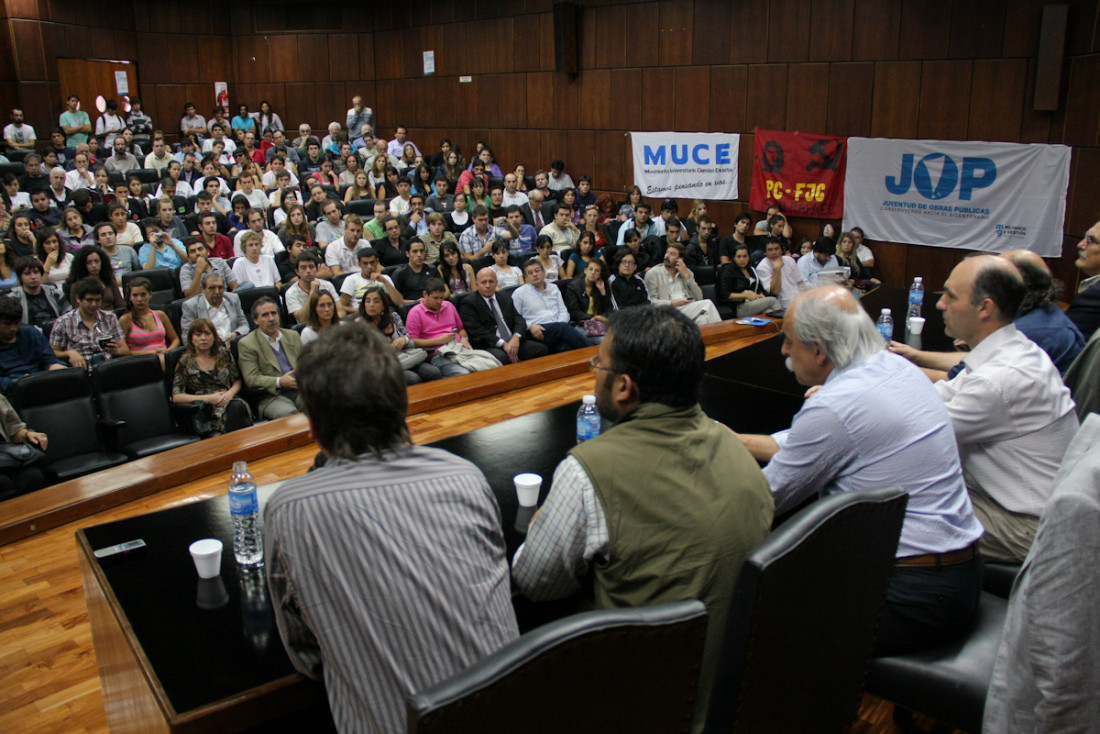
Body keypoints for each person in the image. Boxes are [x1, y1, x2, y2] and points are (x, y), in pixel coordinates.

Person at [513, 305, 773, 731]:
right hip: (730, 690)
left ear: (623, 388)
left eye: (599, 362)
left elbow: (535, 582)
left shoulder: (589, 471)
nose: (595, 369)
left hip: (637, 697)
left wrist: (547, 517)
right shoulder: (739, 452)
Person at [264, 322, 518, 733]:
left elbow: (307, 656)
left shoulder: (289, 509)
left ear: (312, 429)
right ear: (403, 406)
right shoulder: (465, 476)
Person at [735, 286, 984, 655]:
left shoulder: (835, 407)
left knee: (749, 610)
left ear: (819, 349)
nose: (784, 351)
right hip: (957, 573)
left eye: (789, 341)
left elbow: (763, 500)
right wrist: (733, 440)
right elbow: (826, 440)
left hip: (909, 595)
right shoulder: (896, 368)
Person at [913, 256, 1078, 563]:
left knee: (890, 514)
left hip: (1027, 528)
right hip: (1019, 504)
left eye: (950, 296)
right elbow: (940, 394)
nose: (940, 304)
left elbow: (916, 433)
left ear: (985, 308)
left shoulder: (999, 379)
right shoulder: (1015, 350)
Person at [171, 318, 251, 436]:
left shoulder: (223, 354)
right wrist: (208, 398)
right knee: (240, 417)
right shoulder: (185, 362)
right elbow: (177, 397)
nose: (203, 338)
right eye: (198, 335)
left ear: (214, 337)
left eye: (207, 334)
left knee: (237, 407)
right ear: (191, 339)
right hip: (204, 408)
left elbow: (237, 380)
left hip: (228, 400)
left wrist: (230, 393)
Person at [460, 267, 549, 365]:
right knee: (502, 358)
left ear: (496, 283)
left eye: (491, 281)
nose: (488, 285)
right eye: (484, 282)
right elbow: (477, 330)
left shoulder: (504, 296)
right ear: (477, 284)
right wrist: (503, 344)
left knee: (541, 350)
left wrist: (516, 337)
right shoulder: (469, 302)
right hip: (490, 344)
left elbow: (518, 319)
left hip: (512, 340)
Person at [237, 296, 303, 419]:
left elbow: (306, 365)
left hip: (298, 390)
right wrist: (280, 382)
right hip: (270, 396)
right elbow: (251, 378)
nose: (271, 318)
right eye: (265, 315)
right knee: (290, 415)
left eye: (274, 313)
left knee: (321, 402)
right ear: (255, 320)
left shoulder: (292, 336)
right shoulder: (247, 344)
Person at [359, 286, 442, 384]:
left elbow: (410, 341)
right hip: (385, 364)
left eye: (376, 301)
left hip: (406, 357)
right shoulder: (359, 325)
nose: (371, 305)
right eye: (368, 301)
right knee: (413, 378)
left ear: (384, 305)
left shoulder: (394, 317)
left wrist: (404, 340)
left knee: (434, 372)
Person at [512, 260, 594, 353]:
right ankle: (594, 352)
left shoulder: (554, 288)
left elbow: (564, 312)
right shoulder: (519, 293)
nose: (534, 274)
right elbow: (516, 319)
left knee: (564, 347)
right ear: (526, 277)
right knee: (564, 328)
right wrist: (530, 326)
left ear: (543, 272)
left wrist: (558, 325)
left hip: (557, 328)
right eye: (530, 273)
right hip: (537, 330)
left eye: (537, 270)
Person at [49, 277, 129, 368]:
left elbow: (125, 350)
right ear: (78, 299)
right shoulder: (63, 322)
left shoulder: (110, 318)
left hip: (108, 368)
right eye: (89, 300)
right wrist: (69, 353)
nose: (94, 304)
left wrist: (117, 351)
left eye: (97, 300)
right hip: (80, 372)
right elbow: (53, 352)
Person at [405, 278, 472, 378]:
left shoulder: (449, 306)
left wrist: (464, 339)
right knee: (464, 373)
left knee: (487, 365)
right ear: (425, 294)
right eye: (435, 298)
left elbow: (461, 329)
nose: (439, 301)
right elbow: (413, 342)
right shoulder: (415, 313)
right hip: (437, 354)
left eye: (441, 298)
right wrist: (439, 341)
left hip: (459, 348)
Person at [0, 294, 66, 394]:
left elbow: (48, 358)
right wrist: (18, 382)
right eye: (7, 324)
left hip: (39, 383)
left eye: (17, 323)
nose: (13, 328)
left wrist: (54, 366)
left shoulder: (31, 333)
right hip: (11, 392)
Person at [644, 242, 721, 325]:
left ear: (680, 259)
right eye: (667, 252)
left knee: (702, 319)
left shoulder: (687, 272)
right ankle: (723, 333)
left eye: (672, 254)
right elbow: (652, 302)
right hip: (667, 311)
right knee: (708, 304)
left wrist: (687, 276)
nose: (667, 256)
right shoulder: (653, 274)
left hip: (687, 309)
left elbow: (699, 297)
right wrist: (674, 303)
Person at [119, 277, 180, 368]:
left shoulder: (160, 315)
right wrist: (152, 353)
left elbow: (175, 339)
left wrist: (168, 352)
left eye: (143, 294)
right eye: (135, 295)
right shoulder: (125, 319)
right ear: (130, 297)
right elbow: (125, 352)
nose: (139, 299)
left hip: (165, 357)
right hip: (139, 361)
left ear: (150, 294)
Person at [180, 272, 249, 343]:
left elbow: (244, 325)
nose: (217, 292)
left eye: (220, 287)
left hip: (234, 345)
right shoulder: (191, 306)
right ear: (203, 289)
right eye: (212, 288)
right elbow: (187, 338)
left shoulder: (233, 299)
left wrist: (236, 334)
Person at [717, 243, 781, 317]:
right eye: (739, 257)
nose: (742, 259)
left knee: (769, 312)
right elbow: (725, 295)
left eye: (745, 256)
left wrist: (761, 294)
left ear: (749, 257)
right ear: (733, 258)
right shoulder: (728, 270)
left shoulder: (751, 269)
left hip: (755, 302)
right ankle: (785, 326)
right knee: (773, 301)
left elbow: (760, 288)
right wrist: (746, 296)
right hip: (739, 306)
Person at [12, 256, 70, 330]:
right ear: (20, 277)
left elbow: (68, 315)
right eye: (27, 273)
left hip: (56, 332)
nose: (33, 277)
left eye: (36, 272)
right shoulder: (14, 298)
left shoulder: (56, 294)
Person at [1066, 219, 1100, 340]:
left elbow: (1066, 342)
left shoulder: (1094, 297)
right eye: (1085, 237)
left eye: (1091, 240)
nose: (1080, 244)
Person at [565, 258, 613, 342]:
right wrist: (595, 318)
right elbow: (574, 313)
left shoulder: (600, 286)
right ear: (585, 270)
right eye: (590, 269)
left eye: (597, 271)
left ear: (600, 275)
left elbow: (609, 310)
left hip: (600, 325)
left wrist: (603, 291)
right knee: (606, 341)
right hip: (581, 325)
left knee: (620, 336)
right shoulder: (573, 287)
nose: (593, 273)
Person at [339, 246, 399, 311]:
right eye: (365, 263)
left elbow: (398, 302)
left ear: (377, 262)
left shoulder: (385, 278)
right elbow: (342, 306)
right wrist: (363, 312)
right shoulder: (351, 280)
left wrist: (384, 281)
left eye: (372, 262)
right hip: (360, 317)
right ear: (359, 264)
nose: (369, 266)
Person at [285, 251, 340, 322]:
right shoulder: (291, 293)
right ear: (297, 272)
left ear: (317, 269)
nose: (308, 271)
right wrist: (312, 293)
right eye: (303, 267)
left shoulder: (327, 285)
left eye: (311, 267)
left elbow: (340, 312)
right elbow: (302, 319)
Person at [66, 246, 123, 310]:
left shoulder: (109, 280)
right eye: (89, 262)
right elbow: (77, 310)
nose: (94, 265)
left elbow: (120, 305)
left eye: (97, 261)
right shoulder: (76, 286)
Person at [756, 237, 804, 308]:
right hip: (782, 301)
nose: (774, 252)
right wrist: (777, 268)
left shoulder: (790, 260)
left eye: (776, 249)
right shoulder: (762, 267)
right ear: (765, 252)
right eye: (770, 250)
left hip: (798, 296)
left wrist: (805, 296)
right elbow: (775, 291)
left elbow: (800, 282)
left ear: (781, 250)